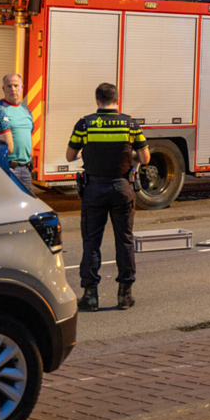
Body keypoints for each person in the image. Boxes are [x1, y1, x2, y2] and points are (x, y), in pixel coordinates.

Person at [66, 83, 150, 312]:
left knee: (91, 242)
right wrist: (127, 153)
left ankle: (90, 296)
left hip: (94, 189)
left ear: (97, 101)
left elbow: (70, 155)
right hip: (122, 188)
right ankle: (125, 295)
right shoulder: (131, 124)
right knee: (124, 241)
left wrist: (90, 150)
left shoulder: (85, 123)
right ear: (117, 100)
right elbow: (145, 157)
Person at [0, 73, 35, 193]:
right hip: (8, 168)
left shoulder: (26, 110)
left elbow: (30, 135)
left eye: (16, 85)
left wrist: (31, 158)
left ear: (22, 88)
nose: (13, 89)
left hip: (26, 168)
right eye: (9, 86)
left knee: (26, 206)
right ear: (3, 89)